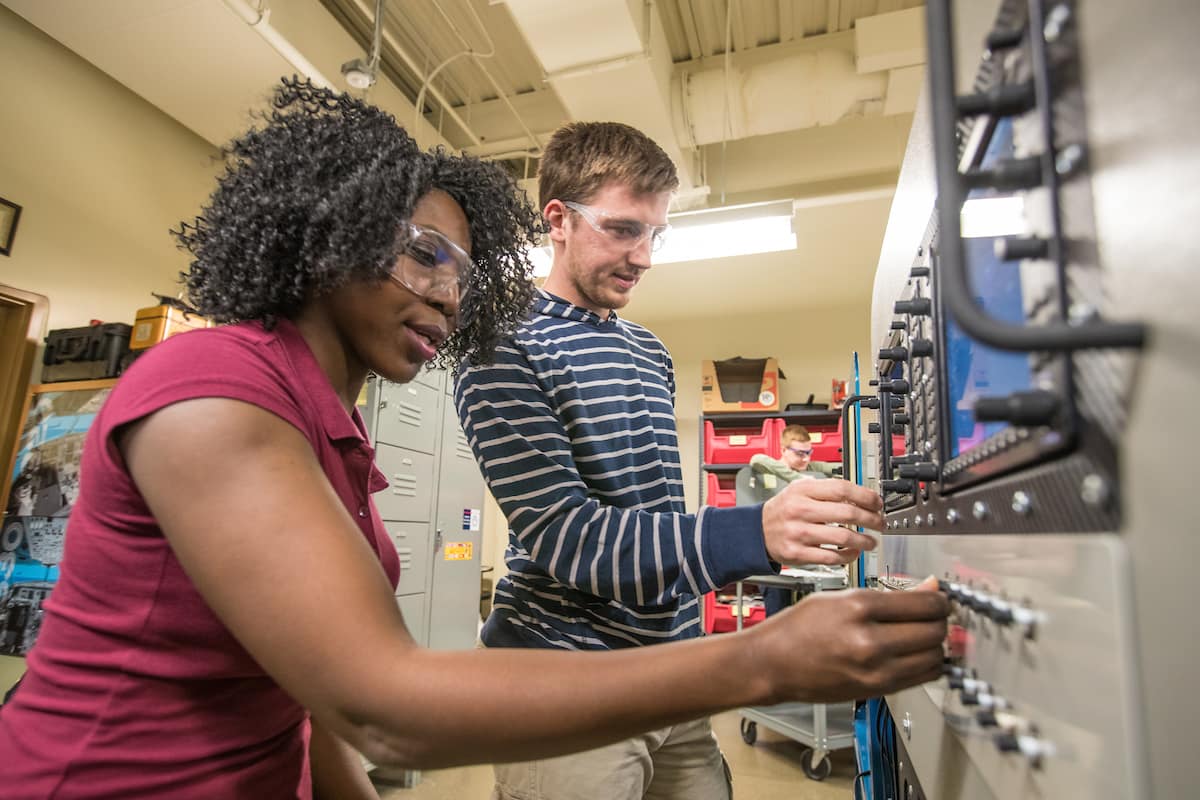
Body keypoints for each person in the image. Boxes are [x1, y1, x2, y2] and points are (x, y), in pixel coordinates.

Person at [0, 82, 948, 800]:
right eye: (422, 253)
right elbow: (386, 703)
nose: (450, 293)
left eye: (462, 266)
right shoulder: (211, 387)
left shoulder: (327, 431)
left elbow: (303, 700)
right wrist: (766, 652)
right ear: (330, 237)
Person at [453, 121, 942, 800]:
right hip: (565, 679)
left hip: (673, 674)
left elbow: (653, 516)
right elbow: (572, 540)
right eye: (624, 229)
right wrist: (757, 534)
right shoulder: (504, 350)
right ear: (558, 221)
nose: (645, 255)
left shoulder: (648, 351)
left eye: (656, 234)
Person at [748, 425, 839, 617]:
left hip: (807, 563)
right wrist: (799, 480)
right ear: (783, 450)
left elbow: (843, 466)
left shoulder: (812, 468)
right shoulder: (769, 468)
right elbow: (756, 459)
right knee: (778, 623)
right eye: (799, 453)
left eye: (809, 452)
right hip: (774, 564)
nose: (806, 459)